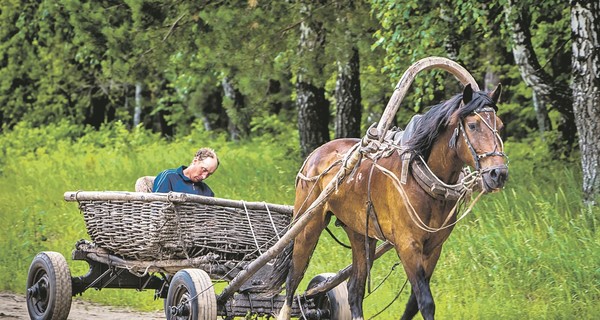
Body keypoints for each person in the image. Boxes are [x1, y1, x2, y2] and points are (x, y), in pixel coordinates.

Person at [152, 147, 219, 196]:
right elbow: (158, 206)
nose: (204, 177)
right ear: (195, 160)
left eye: (209, 174)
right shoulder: (169, 177)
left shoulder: (207, 191)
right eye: (204, 169)